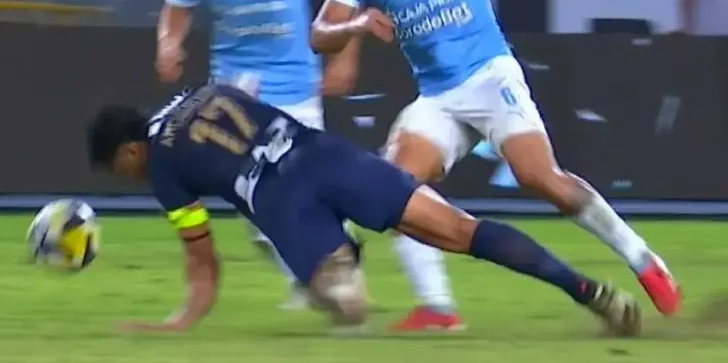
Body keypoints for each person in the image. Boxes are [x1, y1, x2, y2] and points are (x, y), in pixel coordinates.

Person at [311, 0, 681, 320]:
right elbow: (320, 33)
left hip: (489, 77)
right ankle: (439, 309)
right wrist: (355, 25)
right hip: (438, 98)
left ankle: (643, 259)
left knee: (539, 176)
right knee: (392, 194)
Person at [86, 83, 641, 336]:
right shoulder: (204, 91)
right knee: (460, 230)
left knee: (346, 309)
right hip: (327, 157)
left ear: (130, 150)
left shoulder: (162, 166)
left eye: (121, 168)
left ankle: (340, 263)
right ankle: (588, 291)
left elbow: (203, 262)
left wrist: (179, 322)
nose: (130, 176)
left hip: (284, 205)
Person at [154, 0, 359, 309]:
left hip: (294, 87)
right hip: (232, 99)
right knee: (256, 211)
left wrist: (344, 58)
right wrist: (168, 44)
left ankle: (328, 262)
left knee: (298, 190)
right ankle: (316, 273)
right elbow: (177, 7)